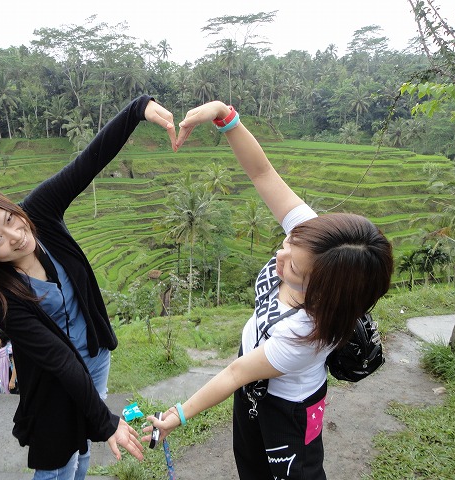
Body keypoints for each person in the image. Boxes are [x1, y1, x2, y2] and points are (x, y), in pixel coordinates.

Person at [142, 101, 394, 480]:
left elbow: (235, 374)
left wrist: (177, 416)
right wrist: (224, 117)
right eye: (289, 242)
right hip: (253, 383)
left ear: (323, 293)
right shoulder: (316, 243)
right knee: (250, 466)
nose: (281, 255)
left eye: (293, 267)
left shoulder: (305, 333)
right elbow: (262, 173)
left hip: (288, 408)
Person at [0, 95, 176, 480]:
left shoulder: (39, 212)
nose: (16, 235)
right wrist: (105, 421)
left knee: (82, 451)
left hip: (94, 356)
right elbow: (58, 358)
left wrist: (137, 109)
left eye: (9, 218)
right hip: (53, 380)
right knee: (58, 460)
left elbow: (89, 162)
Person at [0, 326, 18, 394]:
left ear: (2, 337)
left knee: (12, 396)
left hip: (11, 376)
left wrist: (12, 381)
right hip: (4, 376)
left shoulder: (9, 349)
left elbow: (16, 365)